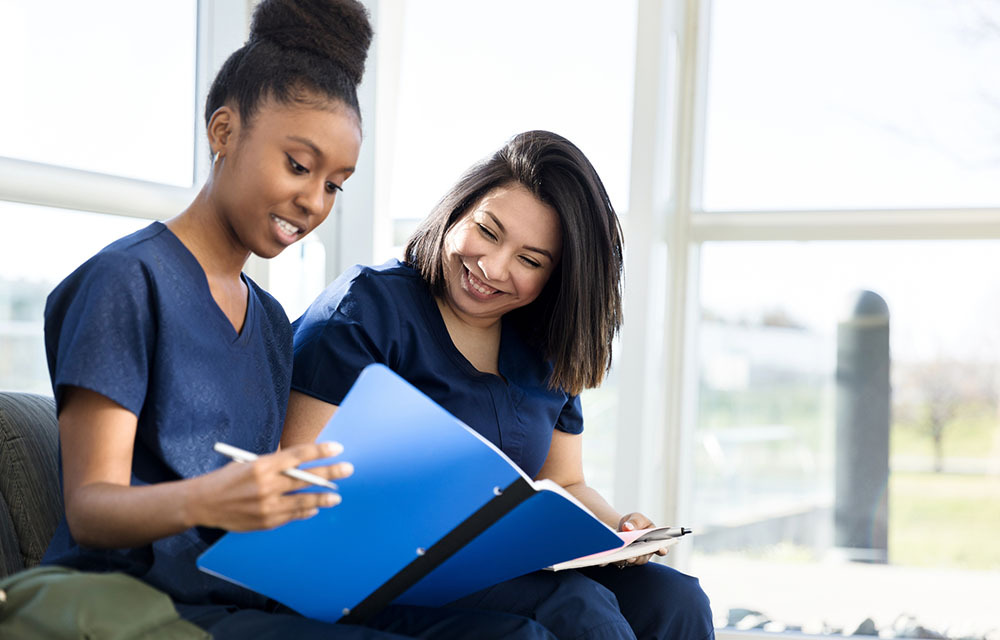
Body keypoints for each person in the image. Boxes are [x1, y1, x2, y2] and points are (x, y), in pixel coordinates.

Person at [41, 2, 555, 638]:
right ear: (223, 131)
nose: (314, 201)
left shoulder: (267, 322)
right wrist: (215, 500)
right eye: (298, 165)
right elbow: (90, 510)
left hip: (249, 601)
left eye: (336, 184)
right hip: (131, 603)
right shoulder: (127, 281)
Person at [285, 130, 716, 639]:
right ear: (458, 211)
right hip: (370, 570)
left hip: (498, 566)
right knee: (577, 610)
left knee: (677, 599)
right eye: (487, 232)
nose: (491, 268)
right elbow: (296, 479)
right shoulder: (365, 311)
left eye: (530, 261)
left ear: (558, 277)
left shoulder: (544, 346)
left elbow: (565, 483)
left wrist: (619, 533)